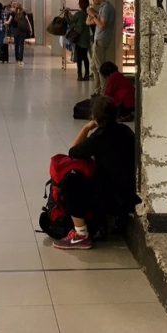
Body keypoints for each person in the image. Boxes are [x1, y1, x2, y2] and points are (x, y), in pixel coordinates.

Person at [53, 96, 138, 250]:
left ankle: (81, 234)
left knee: (71, 181)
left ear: (95, 117)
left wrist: (86, 128)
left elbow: (72, 152)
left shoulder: (99, 137)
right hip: (130, 195)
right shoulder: (126, 131)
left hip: (111, 197)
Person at [87, 0, 117, 94]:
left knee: (100, 67)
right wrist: (91, 14)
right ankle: (98, 89)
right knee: (94, 67)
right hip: (98, 40)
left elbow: (102, 25)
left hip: (101, 40)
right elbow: (88, 22)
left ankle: (104, 91)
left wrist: (93, 15)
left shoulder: (106, 8)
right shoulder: (101, 8)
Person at [70, 0, 92, 81]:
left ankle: (79, 75)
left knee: (79, 58)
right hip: (87, 38)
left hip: (79, 38)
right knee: (85, 57)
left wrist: (66, 14)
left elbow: (71, 21)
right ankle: (87, 74)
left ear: (80, 4)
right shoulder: (89, 13)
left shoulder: (79, 14)